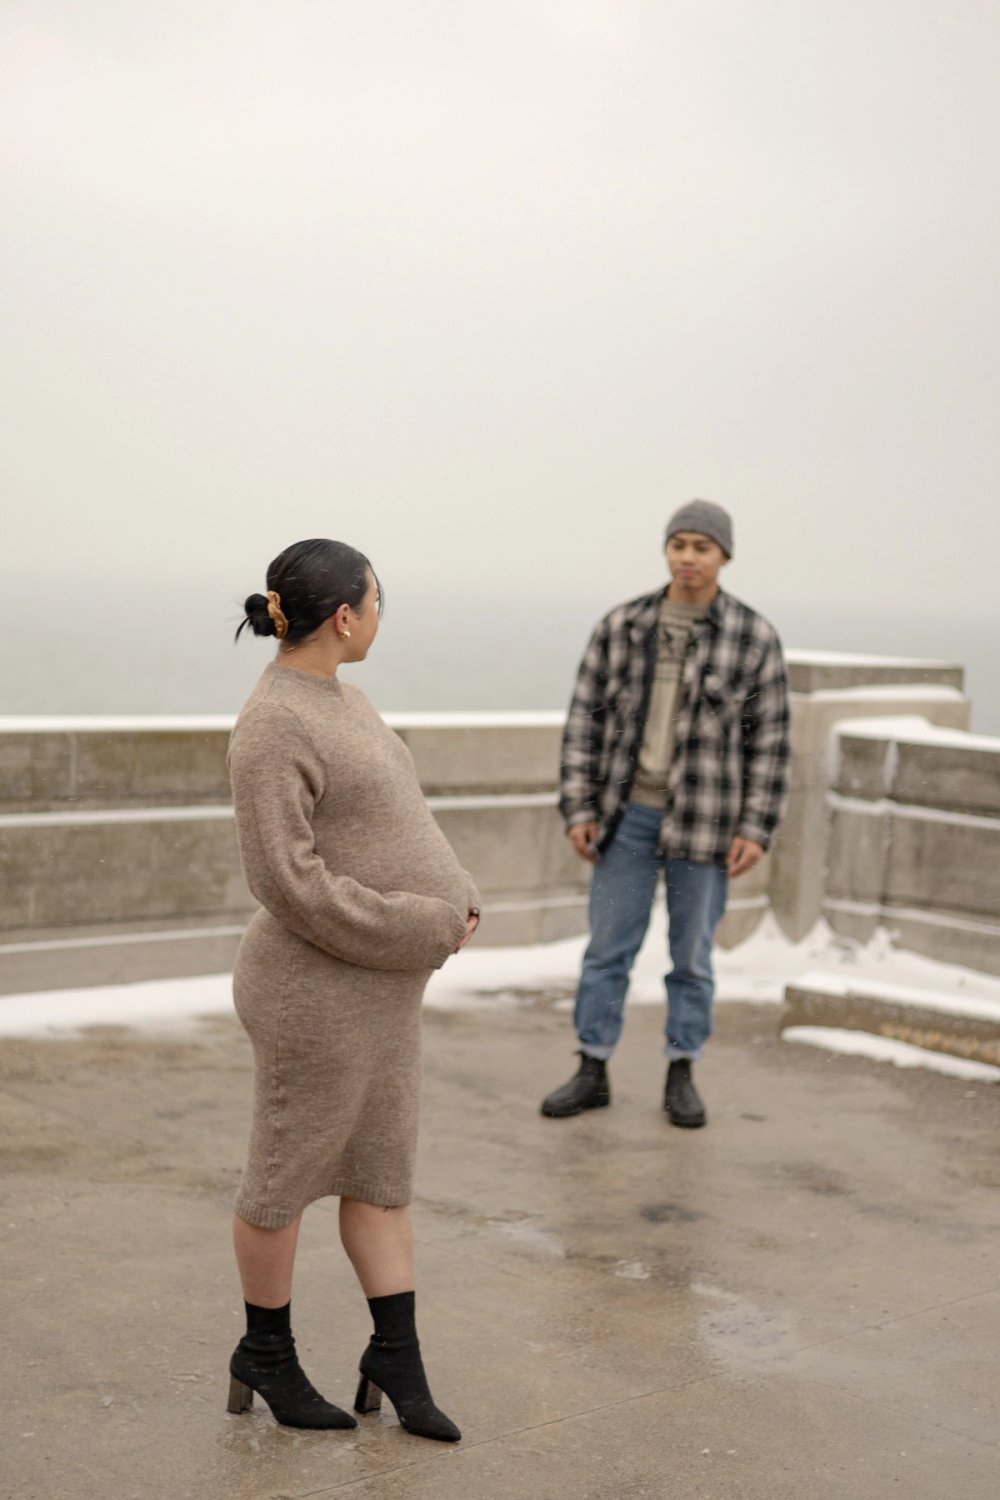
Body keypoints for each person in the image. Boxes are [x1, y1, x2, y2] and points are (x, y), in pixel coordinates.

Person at [226, 538, 480, 1443]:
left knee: (380, 1176)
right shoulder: (273, 724)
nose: (379, 614)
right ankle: (264, 1354)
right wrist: (420, 925)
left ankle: (396, 1359)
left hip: (380, 994)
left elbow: (392, 818)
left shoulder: (346, 700)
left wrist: (457, 895)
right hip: (312, 996)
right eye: (377, 600)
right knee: (282, 1182)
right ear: (346, 614)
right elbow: (284, 881)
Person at [541, 500, 790, 1128]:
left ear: (723, 556)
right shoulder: (622, 625)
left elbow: (771, 744)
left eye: (702, 547)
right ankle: (591, 1067)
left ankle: (682, 1070)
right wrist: (578, 806)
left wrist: (756, 828)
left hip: (706, 823)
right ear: (666, 550)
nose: (688, 557)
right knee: (606, 952)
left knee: (693, 959)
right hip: (626, 820)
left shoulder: (753, 636)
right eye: (678, 543)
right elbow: (583, 723)